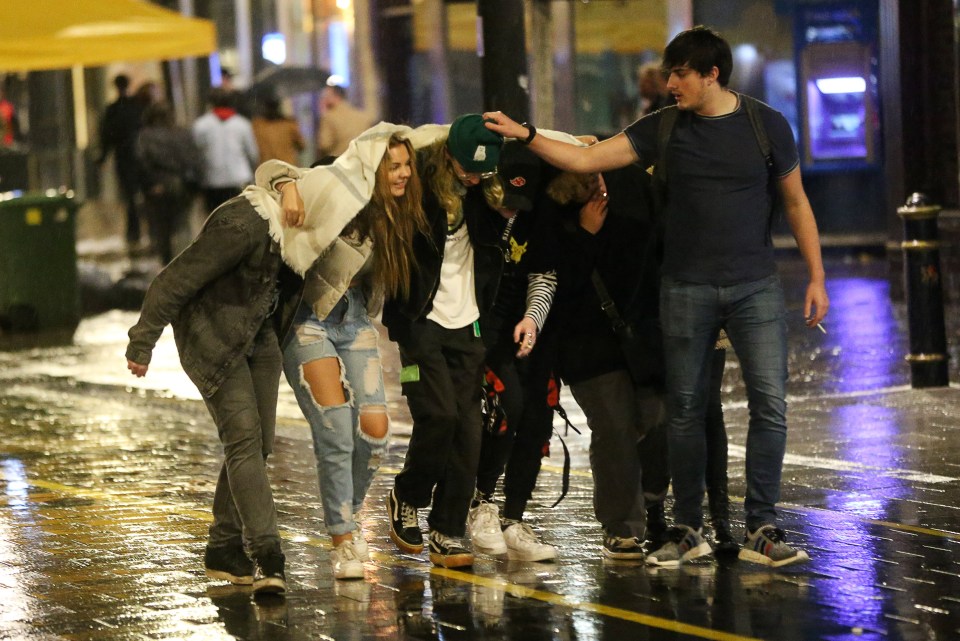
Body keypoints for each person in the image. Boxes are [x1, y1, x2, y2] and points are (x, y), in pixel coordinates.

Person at [483, 25, 829, 568]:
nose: (670, 83)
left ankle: (763, 526)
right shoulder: (663, 127)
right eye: (669, 73)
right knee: (685, 411)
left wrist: (816, 277)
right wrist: (527, 136)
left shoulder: (766, 125)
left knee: (771, 406)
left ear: (712, 74)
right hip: (686, 289)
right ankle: (687, 528)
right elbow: (583, 160)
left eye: (681, 73)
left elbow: (797, 202)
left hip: (754, 287)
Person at [256, 128, 430, 581]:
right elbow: (269, 171)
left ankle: (346, 516)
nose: (404, 173)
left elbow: (439, 136)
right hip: (308, 318)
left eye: (406, 165)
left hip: (355, 320)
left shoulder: (398, 210)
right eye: (393, 166)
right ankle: (341, 539)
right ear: (373, 167)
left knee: (375, 431)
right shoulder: (337, 187)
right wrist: (288, 187)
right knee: (334, 425)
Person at [125, 191, 301, 596]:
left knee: (259, 446)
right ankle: (269, 555)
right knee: (242, 439)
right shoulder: (243, 226)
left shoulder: (311, 236)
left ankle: (224, 546)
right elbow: (174, 279)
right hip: (214, 337)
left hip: (262, 337)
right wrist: (142, 342)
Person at [382, 114, 507, 569]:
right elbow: (368, 153)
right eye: (464, 168)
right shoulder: (416, 186)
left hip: (469, 326)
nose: (472, 177)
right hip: (421, 321)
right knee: (438, 416)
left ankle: (448, 529)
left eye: (481, 170)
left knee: (470, 433)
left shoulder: (487, 194)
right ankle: (406, 495)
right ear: (447, 154)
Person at [547, 165, 670, 561]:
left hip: (637, 341)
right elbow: (559, 289)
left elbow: (649, 268)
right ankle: (622, 528)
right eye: (584, 179)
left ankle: (649, 501)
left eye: (598, 174)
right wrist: (585, 235)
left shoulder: (630, 204)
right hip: (587, 348)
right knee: (615, 428)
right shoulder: (555, 224)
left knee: (655, 418)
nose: (595, 183)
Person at [466, 142, 560, 562]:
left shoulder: (540, 213)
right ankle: (479, 505)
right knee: (506, 407)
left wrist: (533, 319)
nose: (511, 210)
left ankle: (514, 517)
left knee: (539, 417)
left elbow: (544, 271)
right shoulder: (471, 208)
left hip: (526, 329)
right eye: (506, 200)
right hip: (479, 329)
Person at [136, 101, 202, 264]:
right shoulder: (183, 133)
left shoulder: (146, 136)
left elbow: (142, 163)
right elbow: (194, 159)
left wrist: (150, 185)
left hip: (159, 186)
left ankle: (167, 263)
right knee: (182, 223)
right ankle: (184, 260)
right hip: (183, 185)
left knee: (162, 227)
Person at [192, 87, 259, 214]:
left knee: (214, 221)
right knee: (239, 219)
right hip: (239, 180)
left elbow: (196, 154)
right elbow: (252, 153)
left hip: (212, 181)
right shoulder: (242, 124)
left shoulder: (201, 125)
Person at [98, 74, 145, 249]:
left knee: (130, 195)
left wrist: (103, 157)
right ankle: (140, 230)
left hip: (123, 157)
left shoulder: (113, 110)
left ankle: (134, 231)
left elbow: (106, 136)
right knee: (139, 194)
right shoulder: (137, 107)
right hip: (139, 157)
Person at [317, 84, 373, 158]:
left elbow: (324, 144)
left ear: (336, 96)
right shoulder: (362, 116)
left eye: (326, 96)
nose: (324, 100)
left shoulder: (329, 117)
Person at [252, 96, 306, 165]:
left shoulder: (257, 125)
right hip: (288, 167)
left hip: (266, 169)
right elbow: (302, 145)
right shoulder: (288, 124)